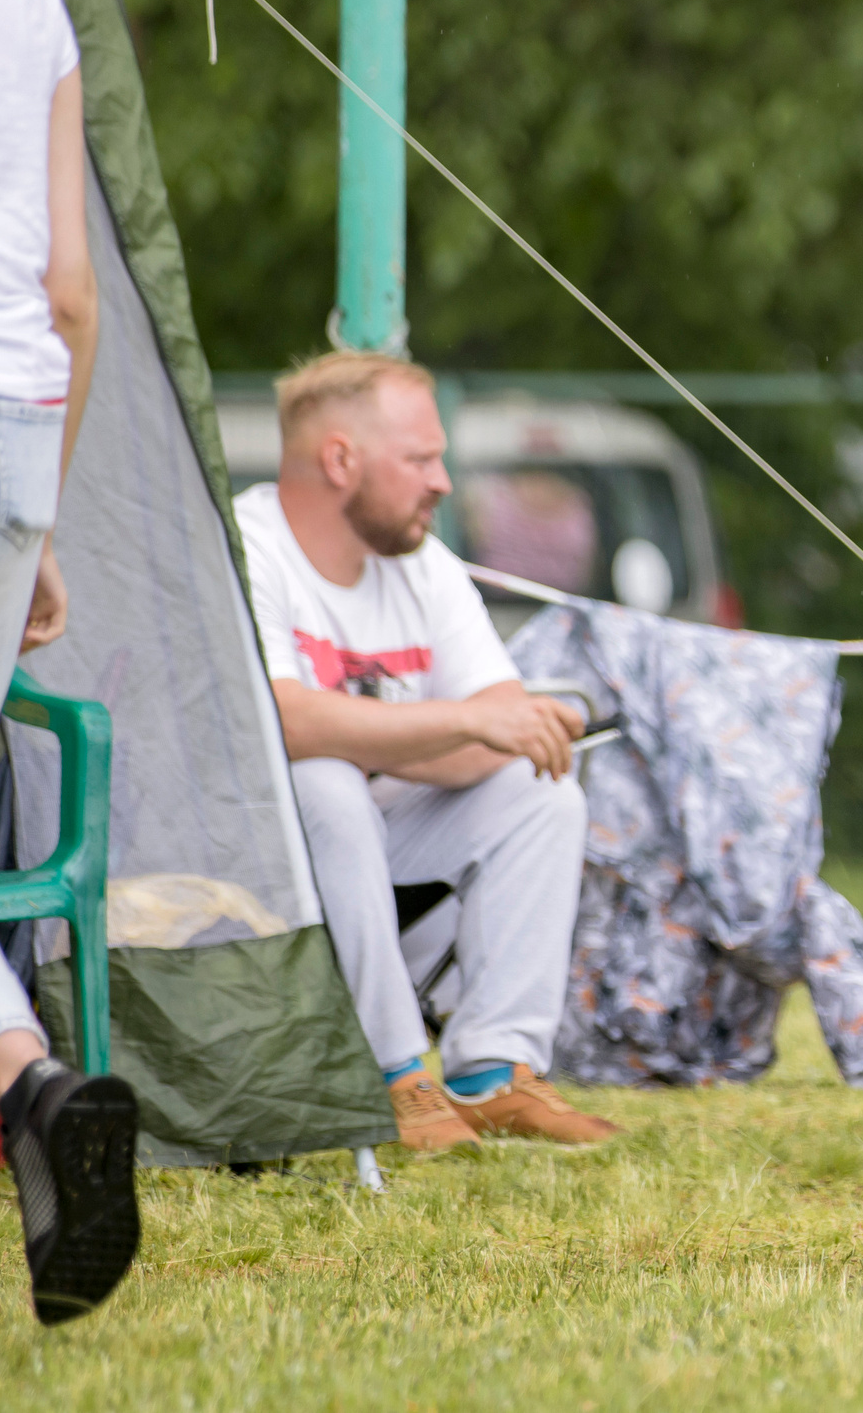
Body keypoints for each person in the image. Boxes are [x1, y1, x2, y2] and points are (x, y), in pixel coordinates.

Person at [241, 351, 620, 1152]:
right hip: (249, 862)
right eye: (420, 458)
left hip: (381, 840)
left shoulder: (426, 563)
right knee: (325, 782)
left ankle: (493, 1071)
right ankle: (392, 1076)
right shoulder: (247, 546)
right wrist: (454, 728)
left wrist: (452, 732)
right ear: (341, 459)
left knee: (541, 789)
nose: (444, 480)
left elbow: (502, 719)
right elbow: (275, 721)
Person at [0, 0, 129, 1324]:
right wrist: (43, 530)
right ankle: (35, 1088)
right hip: (12, 425)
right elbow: (73, 295)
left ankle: (26, 1082)